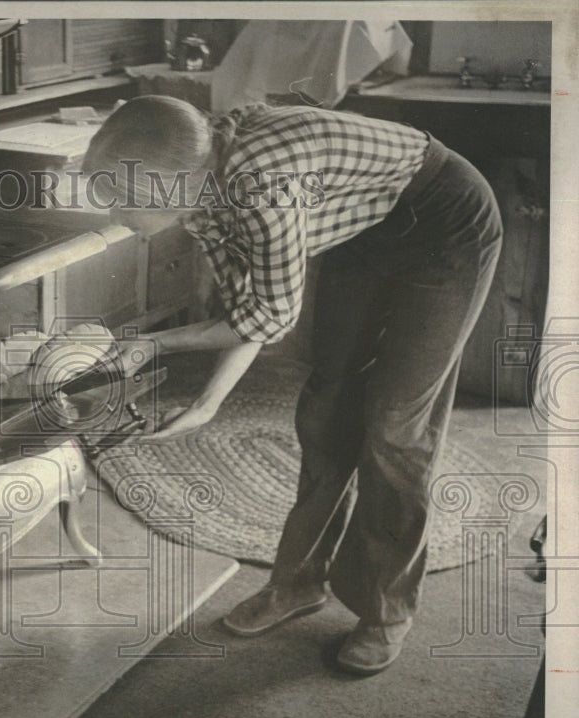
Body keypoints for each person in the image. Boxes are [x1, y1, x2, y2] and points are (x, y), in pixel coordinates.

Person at [83, 95, 501, 674]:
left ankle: (385, 611)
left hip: (446, 221)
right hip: (366, 230)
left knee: (394, 428)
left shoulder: (264, 185)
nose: (115, 216)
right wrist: (209, 403)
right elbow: (249, 312)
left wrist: (156, 343)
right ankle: (297, 584)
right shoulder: (201, 198)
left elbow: (268, 322)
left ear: (169, 183)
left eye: (123, 201)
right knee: (328, 407)